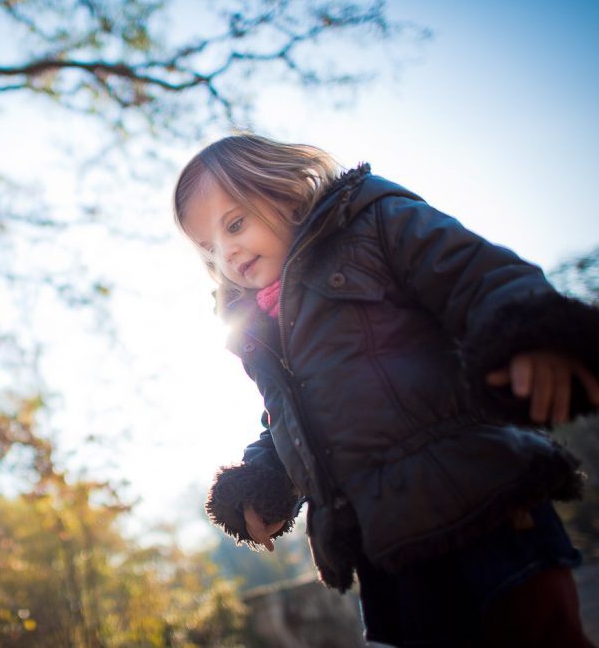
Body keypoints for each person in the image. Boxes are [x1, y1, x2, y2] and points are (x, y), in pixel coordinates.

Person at [172, 132, 599, 647]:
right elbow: (290, 419)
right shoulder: (263, 330)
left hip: (486, 508)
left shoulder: (371, 221)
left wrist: (532, 328)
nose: (226, 251)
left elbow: (473, 274)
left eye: (234, 223)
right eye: (208, 247)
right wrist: (265, 478)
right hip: (388, 551)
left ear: (284, 191)